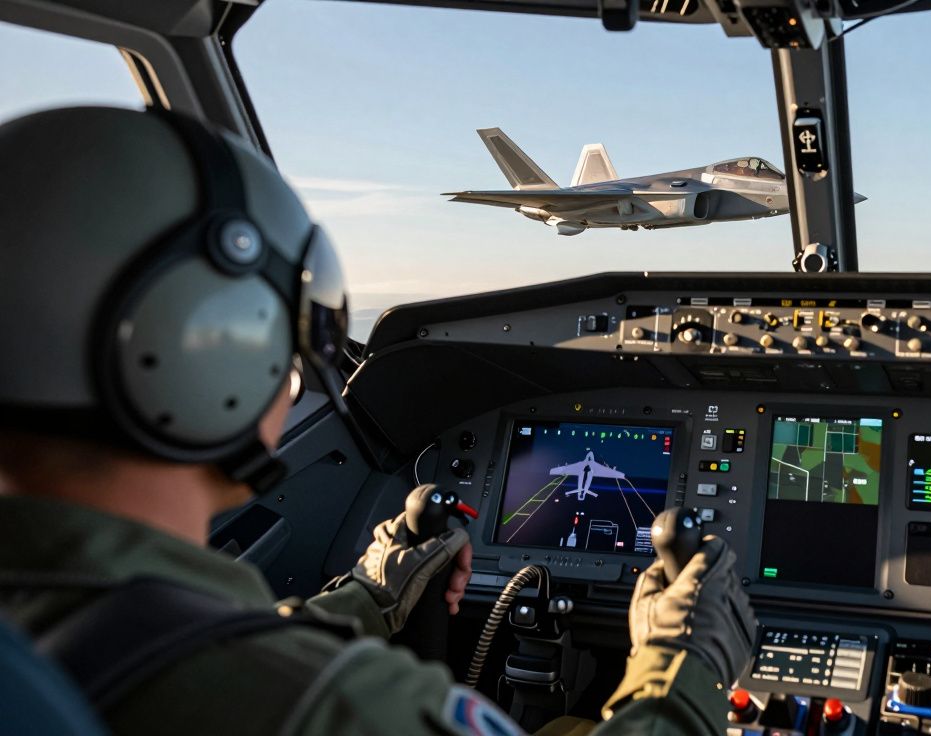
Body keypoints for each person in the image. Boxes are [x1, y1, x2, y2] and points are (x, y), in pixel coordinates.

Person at [0, 105, 756, 735]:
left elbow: (180, 646)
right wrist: (684, 661)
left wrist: (369, 596)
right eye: (299, 336)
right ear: (210, 366)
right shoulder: (339, 708)